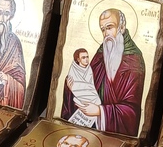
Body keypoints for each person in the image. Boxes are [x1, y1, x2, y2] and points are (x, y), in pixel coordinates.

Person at [61, 7, 145, 136]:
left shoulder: (134, 60)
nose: (106, 34)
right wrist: (71, 87)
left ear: (122, 27)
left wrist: (100, 111)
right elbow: (88, 82)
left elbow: (131, 110)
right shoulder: (101, 54)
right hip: (90, 123)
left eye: (110, 27)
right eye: (103, 29)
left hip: (112, 131)